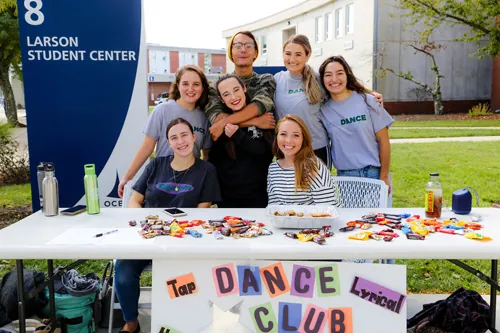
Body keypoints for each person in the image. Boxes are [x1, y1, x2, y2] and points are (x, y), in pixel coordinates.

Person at [116, 118, 220, 333]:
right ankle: (131, 323)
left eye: (184, 135)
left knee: (185, 276)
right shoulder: (155, 165)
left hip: (184, 241)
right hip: (149, 237)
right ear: (168, 143)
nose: (180, 141)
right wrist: (144, 225)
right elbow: (135, 200)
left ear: (193, 137)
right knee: (123, 272)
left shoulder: (206, 170)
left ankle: (181, 323)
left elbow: (203, 210)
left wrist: (179, 231)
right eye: (174, 138)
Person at [274, 34, 384, 167]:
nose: (292, 59)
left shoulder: (318, 78)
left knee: (318, 188)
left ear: (307, 55)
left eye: (298, 54)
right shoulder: (276, 80)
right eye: (288, 54)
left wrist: (371, 93)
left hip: (316, 148)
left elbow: (344, 86)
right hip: (287, 148)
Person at [118, 65, 212, 198]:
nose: (190, 89)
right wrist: (127, 177)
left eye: (196, 84)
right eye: (185, 84)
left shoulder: (204, 117)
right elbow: (147, 147)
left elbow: (206, 156)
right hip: (162, 180)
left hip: (191, 184)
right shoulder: (162, 110)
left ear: (202, 88)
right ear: (178, 86)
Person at [318, 55, 394, 199]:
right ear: (322, 80)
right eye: (328, 75)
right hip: (346, 178)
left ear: (347, 74)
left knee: (377, 221)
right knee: (351, 222)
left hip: (374, 174)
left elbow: (384, 142)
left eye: (339, 73)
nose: (334, 79)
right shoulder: (323, 111)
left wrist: (384, 176)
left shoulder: (368, 101)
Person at [209, 74, 274, 208]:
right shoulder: (219, 124)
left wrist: (238, 135)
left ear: (244, 88)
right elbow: (216, 161)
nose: (233, 97)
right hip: (229, 198)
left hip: (260, 196)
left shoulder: (263, 116)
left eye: (236, 90)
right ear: (221, 99)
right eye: (226, 94)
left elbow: (265, 153)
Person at [205, 31, 277, 141]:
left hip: (259, 151)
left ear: (255, 53)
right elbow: (216, 118)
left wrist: (224, 123)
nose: (243, 50)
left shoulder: (265, 80)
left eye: (248, 46)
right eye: (238, 46)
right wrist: (256, 121)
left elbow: (257, 107)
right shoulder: (218, 84)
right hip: (226, 153)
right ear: (231, 53)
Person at [267, 114, 340, 206]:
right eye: (283, 134)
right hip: (284, 220)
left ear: (303, 139)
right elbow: (273, 206)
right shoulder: (273, 168)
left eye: (296, 135)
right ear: (276, 137)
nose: (288, 140)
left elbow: (328, 208)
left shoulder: (313, 166)